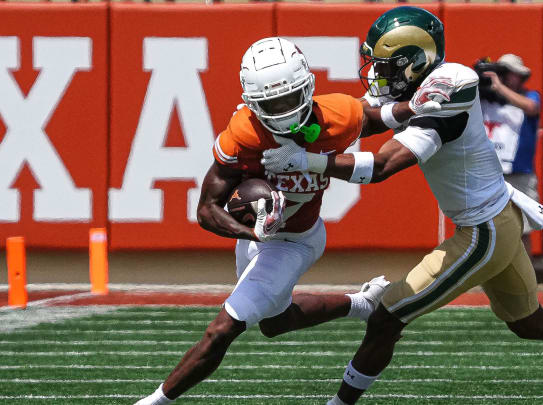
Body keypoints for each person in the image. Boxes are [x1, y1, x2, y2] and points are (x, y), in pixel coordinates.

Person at [261, 7, 543, 405]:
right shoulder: (430, 82)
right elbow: (371, 117)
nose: (378, 74)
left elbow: (386, 164)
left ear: (413, 62)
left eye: (386, 66)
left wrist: (308, 161)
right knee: (532, 323)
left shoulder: (453, 86)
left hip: (483, 231)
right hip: (500, 218)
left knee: (386, 317)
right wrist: (308, 129)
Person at [132, 36, 445, 405]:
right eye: (270, 103)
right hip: (259, 238)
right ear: (253, 103)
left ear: (308, 87)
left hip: (297, 241)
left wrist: (419, 106)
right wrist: (250, 231)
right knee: (274, 323)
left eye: (288, 98)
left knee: (222, 330)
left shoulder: (336, 114)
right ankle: (361, 304)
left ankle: (152, 402)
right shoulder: (244, 132)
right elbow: (206, 209)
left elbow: (378, 119)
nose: (282, 110)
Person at [477, 53, 541, 256]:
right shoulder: (482, 99)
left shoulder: (529, 96)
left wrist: (500, 88)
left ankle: (527, 276)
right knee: (485, 226)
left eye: (515, 75)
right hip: (487, 173)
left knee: (522, 226)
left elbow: (532, 108)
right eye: (506, 74)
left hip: (519, 172)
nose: (512, 78)